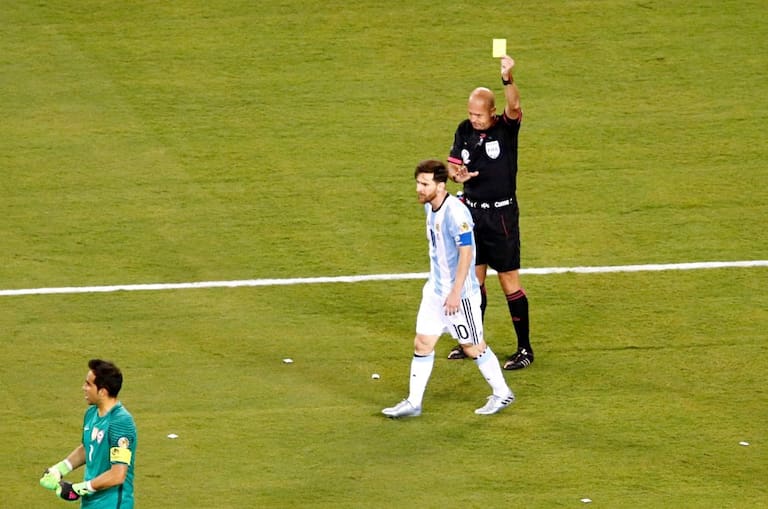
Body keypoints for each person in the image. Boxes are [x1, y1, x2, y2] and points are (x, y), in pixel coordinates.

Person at [382, 159, 515, 418]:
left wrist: (455, 292)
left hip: (459, 296)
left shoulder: (455, 214)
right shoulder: (432, 204)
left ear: (439, 186)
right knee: (423, 343)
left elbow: (467, 253)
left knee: (472, 346)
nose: (419, 189)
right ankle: (413, 403)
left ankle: (502, 393)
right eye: (418, 183)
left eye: (424, 184)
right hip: (435, 291)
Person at [445, 53, 533, 371]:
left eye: (479, 115)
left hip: (502, 217)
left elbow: (515, 105)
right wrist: (458, 176)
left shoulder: (506, 129)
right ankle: (472, 341)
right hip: (472, 214)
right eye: (471, 114)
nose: (474, 119)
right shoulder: (464, 130)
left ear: (492, 112)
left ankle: (524, 348)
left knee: (508, 281)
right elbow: (453, 167)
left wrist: (507, 77)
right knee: (473, 281)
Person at [39, 359, 137, 508]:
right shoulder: (92, 414)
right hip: (90, 503)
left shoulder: (120, 422)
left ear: (102, 392)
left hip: (112, 504)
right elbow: (88, 447)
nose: (83, 388)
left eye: (88, 384)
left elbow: (117, 475)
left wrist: (80, 488)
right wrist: (60, 469)